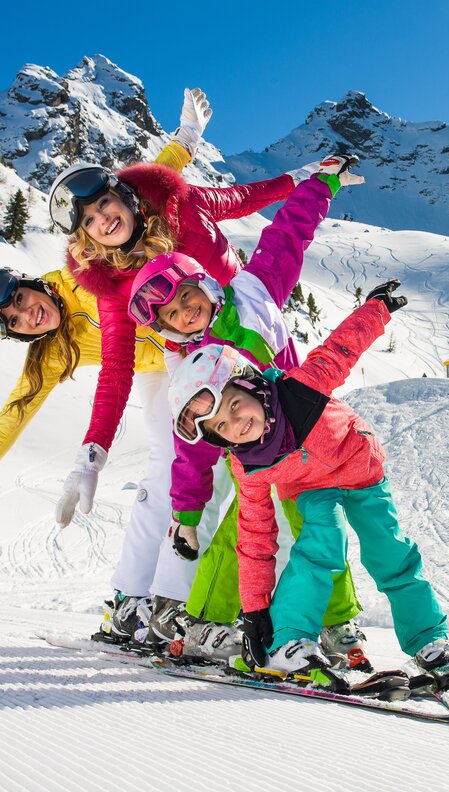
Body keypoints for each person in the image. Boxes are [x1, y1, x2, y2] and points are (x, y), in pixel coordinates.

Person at [46, 107, 326, 650]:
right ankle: (145, 602)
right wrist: (94, 450)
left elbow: (243, 199)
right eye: (88, 222)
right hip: (192, 362)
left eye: (103, 203)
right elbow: (117, 369)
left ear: (123, 196)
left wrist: (305, 178)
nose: (102, 219)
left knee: (284, 470)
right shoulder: (113, 284)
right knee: (182, 474)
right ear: (88, 239)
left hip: (251, 331)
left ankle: (293, 612)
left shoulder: (182, 207)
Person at [126, 155, 374, 669]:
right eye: (172, 316)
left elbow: (287, 235)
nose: (185, 313)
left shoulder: (256, 291)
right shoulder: (194, 365)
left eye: (187, 298)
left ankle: (334, 623)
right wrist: (187, 516)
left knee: (318, 527)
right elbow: (190, 450)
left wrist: (321, 184)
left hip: (305, 438)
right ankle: (206, 624)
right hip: (253, 456)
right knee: (247, 536)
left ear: (205, 285)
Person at [0, 90, 228, 648]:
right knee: (172, 462)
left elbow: (139, 193)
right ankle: (136, 600)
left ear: (32, 284)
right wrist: (88, 459)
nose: (29, 316)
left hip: (188, 343)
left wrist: (187, 141)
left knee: (198, 464)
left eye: (22, 301)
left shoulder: (84, 271)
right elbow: (16, 412)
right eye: (15, 323)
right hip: (158, 370)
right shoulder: (52, 352)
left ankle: (146, 598)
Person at [168, 281, 449, 690]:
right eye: (221, 427)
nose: (237, 424)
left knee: (391, 554)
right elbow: (255, 540)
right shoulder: (249, 465)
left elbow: (342, 348)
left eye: (235, 405)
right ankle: (292, 642)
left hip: (363, 473)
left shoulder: (300, 392)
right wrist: (254, 612)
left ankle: (429, 641)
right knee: (320, 550)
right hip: (313, 490)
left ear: (251, 385)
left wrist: (376, 309)